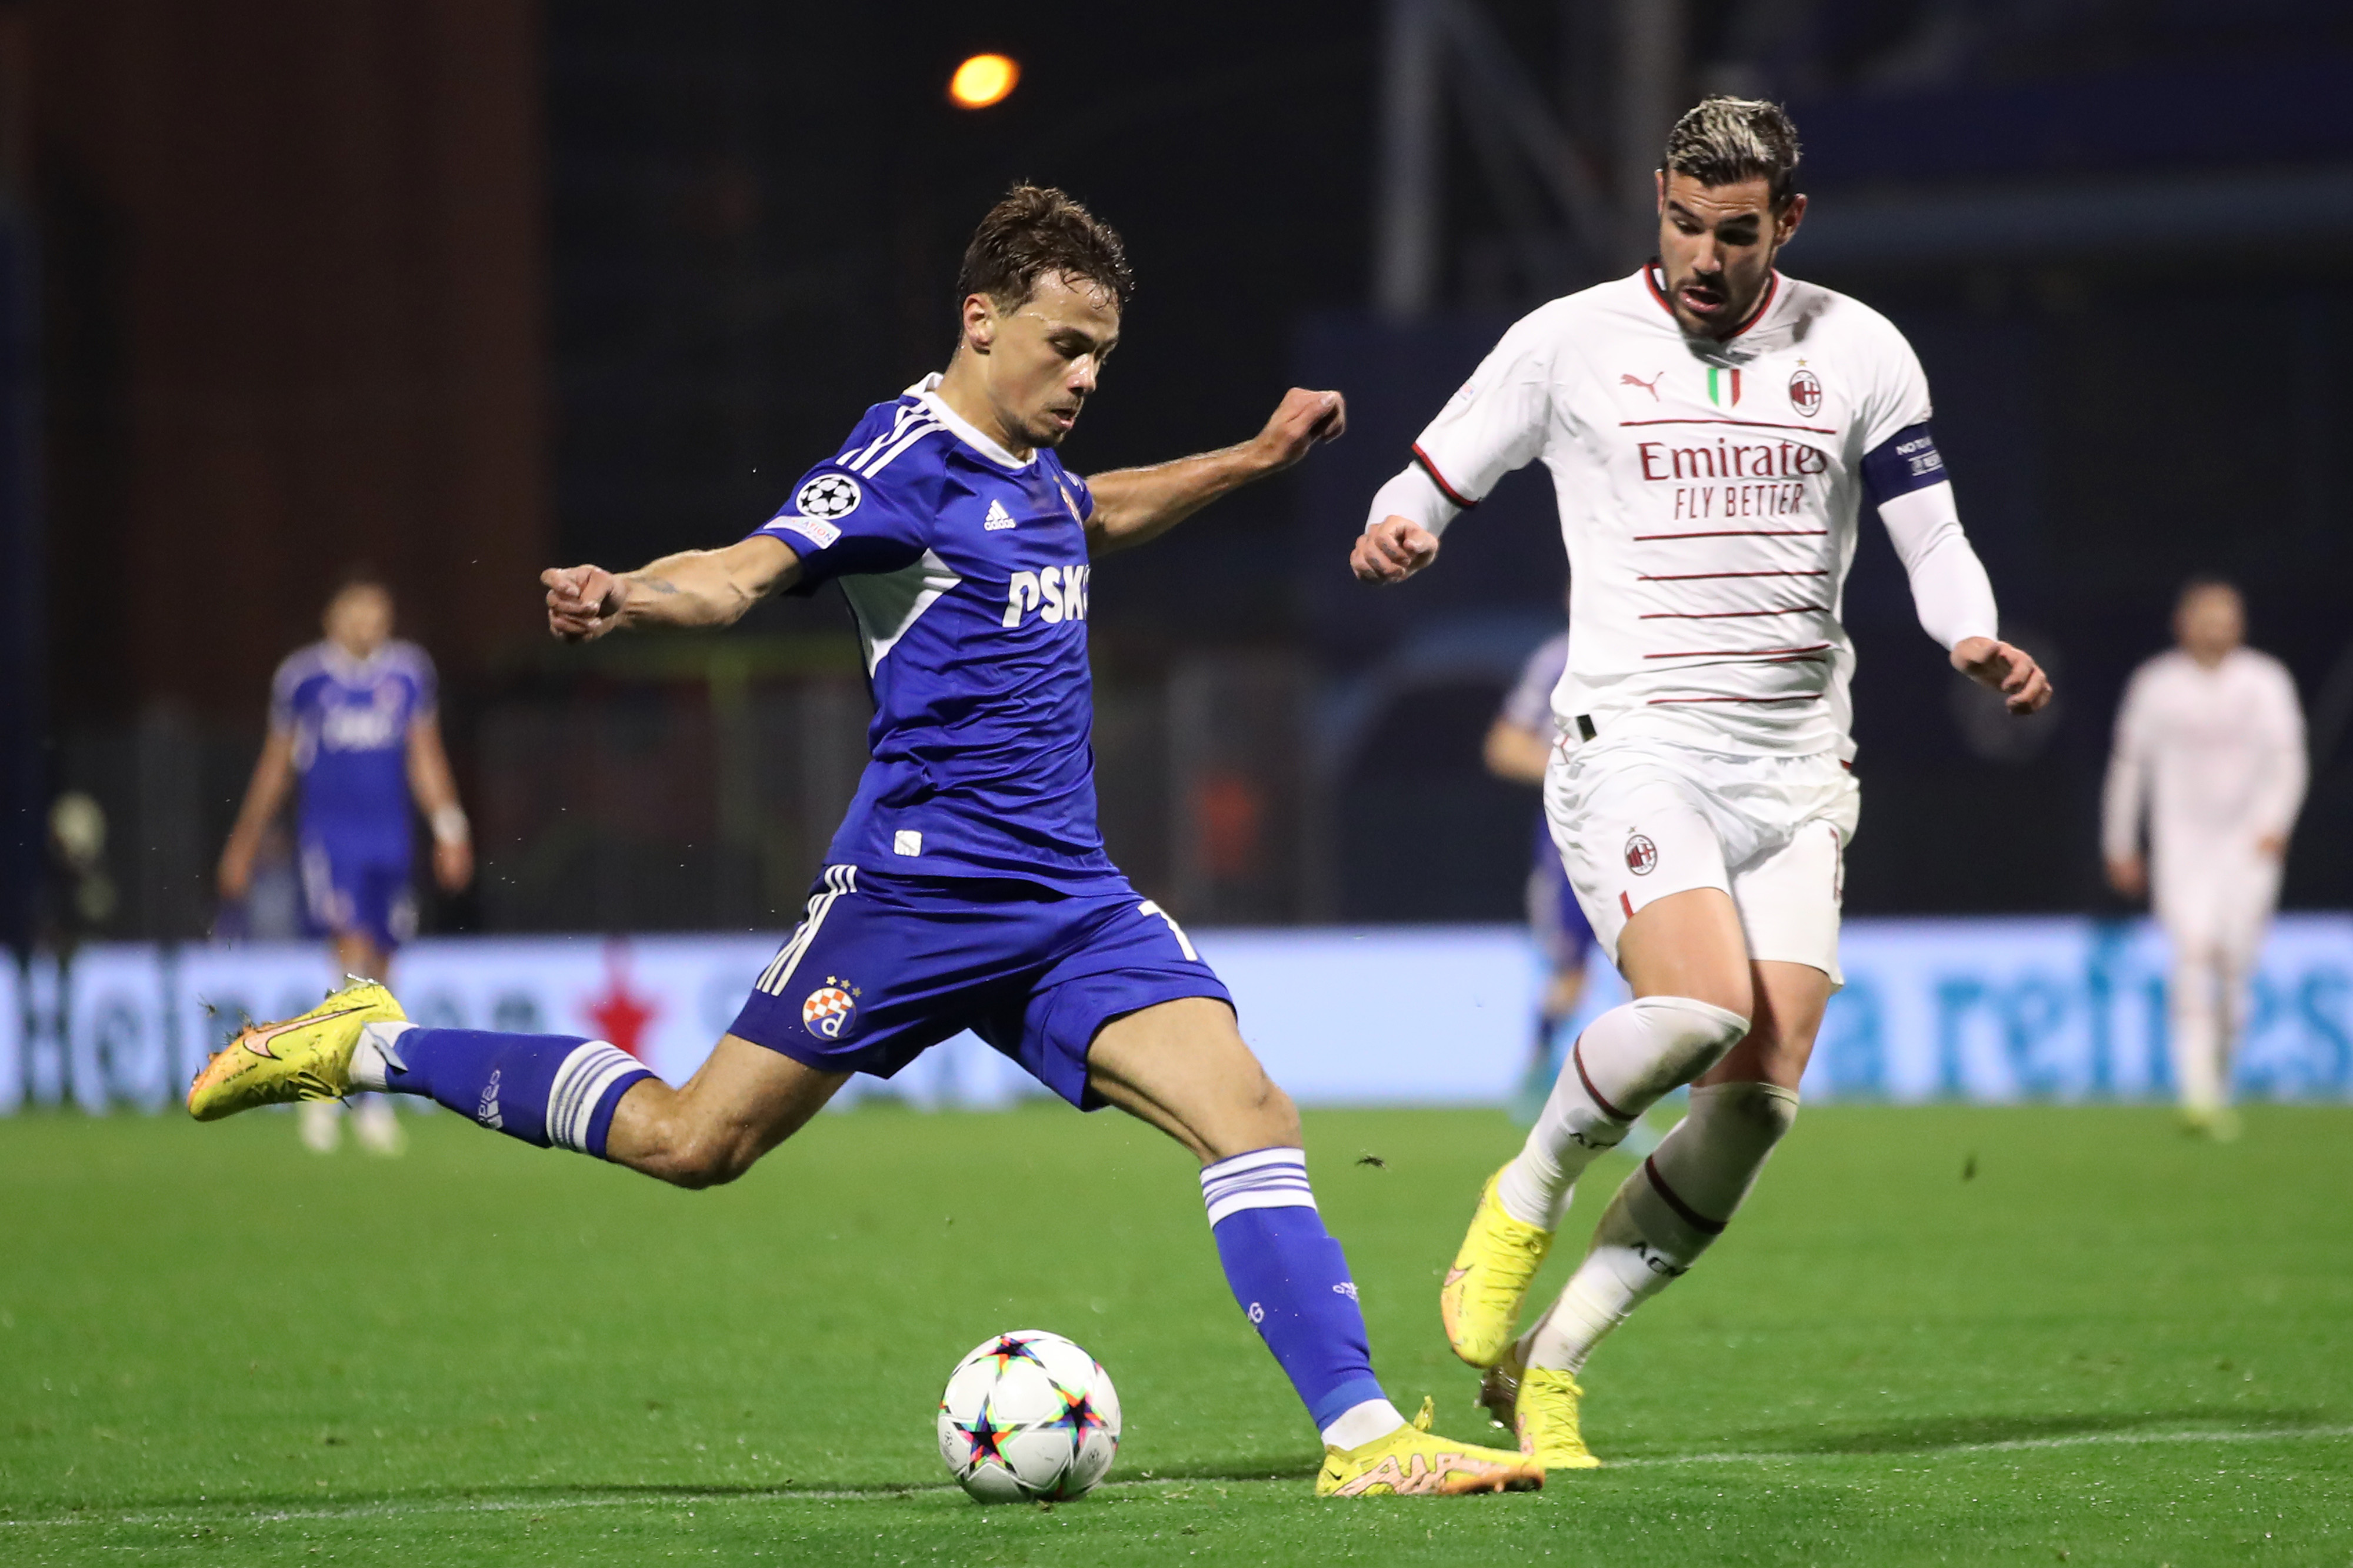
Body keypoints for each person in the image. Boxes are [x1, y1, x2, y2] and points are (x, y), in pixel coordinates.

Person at [190, 186, 1541, 1498]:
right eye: (1064, 345)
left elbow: (1092, 513)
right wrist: (629, 595)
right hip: (910, 900)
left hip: (1068, 904)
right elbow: (740, 570)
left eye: (1101, 354)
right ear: (980, 320)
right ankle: (372, 1042)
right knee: (691, 1139)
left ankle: (1364, 1437)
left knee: (1248, 1113)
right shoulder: (898, 462)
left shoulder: (1034, 470)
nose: (1084, 376)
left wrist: (1248, 459)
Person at [1351, 98, 2051, 1469]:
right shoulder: (1569, 341)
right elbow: (1431, 471)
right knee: (1696, 1004)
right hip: (1637, 744)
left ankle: (1550, 1367)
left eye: (1734, 232)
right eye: (1681, 224)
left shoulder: (1858, 349)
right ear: (1657, 208)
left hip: (1796, 770)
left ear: (1785, 221)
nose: (1703, 256)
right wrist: (1401, 526)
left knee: (1754, 1100)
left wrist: (1967, 632)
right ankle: (1527, 1188)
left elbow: (1930, 533)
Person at [217, 575, 474, 1154]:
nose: (368, 624)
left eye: (377, 613)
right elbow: (276, 764)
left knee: (382, 967)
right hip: (331, 842)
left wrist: (449, 826)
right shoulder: (304, 678)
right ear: (332, 618)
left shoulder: (408, 673)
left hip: (391, 840)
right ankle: (327, 1093)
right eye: (357, 612)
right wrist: (245, 841)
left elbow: (425, 754)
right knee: (349, 954)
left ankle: (368, 1091)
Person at [2102, 578, 2305, 1142]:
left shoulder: (2265, 682)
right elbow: (2129, 768)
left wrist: (2276, 823)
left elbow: (2289, 760)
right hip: (2182, 847)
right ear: (2182, 623)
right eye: (2206, 617)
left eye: (2225, 617)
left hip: (2248, 846)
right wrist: (2120, 842)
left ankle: (2221, 1079)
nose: (2216, 628)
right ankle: (2197, 1094)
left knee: (2236, 961)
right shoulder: (2156, 685)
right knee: (2192, 955)